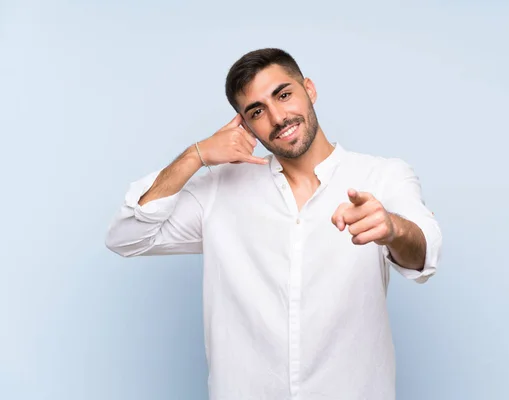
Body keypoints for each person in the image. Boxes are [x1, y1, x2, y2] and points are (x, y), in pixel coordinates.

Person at [105, 48, 442, 400]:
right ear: (244, 124)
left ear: (309, 89)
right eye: (257, 111)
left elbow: (425, 254)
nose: (279, 117)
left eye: (284, 95)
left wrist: (392, 229)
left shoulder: (382, 175)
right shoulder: (220, 190)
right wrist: (196, 155)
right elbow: (126, 236)